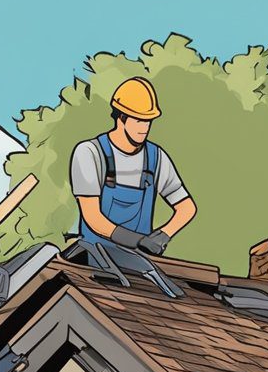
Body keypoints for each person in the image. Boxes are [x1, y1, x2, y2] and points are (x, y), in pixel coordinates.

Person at [71, 76, 197, 255]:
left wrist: (163, 235)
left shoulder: (156, 158)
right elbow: (93, 218)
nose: (145, 127)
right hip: (95, 259)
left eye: (148, 121)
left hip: (139, 262)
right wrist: (137, 240)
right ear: (121, 118)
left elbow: (187, 207)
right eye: (138, 120)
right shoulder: (90, 153)